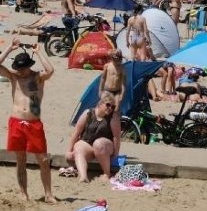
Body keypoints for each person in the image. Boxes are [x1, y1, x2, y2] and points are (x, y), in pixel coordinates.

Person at [0, 40, 55, 202]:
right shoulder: (14, 76)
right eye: (19, 68)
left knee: (43, 160)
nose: (21, 71)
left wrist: (39, 51)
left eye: (23, 68)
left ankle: (48, 194)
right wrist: (10, 48)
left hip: (34, 123)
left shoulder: (38, 77)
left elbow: (51, 70)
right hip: (16, 122)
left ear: (29, 66)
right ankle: (24, 193)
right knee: (20, 159)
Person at [65, 92, 121, 183]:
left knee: (98, 144)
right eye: (108, 105)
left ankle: (107, 173)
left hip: (105, 146)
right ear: (100, 103)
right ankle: (83, 176)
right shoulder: (88, 113)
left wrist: (116, 153)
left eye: (113, 107)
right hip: (88, 144)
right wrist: (69, 150)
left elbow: (116, 136)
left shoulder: (113, 117)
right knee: (78, 146)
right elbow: (76, 132)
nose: (110, 108)